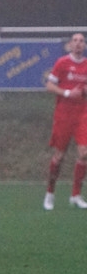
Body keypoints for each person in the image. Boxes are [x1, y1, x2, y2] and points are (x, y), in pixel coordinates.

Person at [43, 32, 87, 210]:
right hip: (64, 115)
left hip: (82, 115)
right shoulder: (62, 63)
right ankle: (50, 193)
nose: (78, 44)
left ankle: (75, 195)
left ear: (84, 45)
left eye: (81, 41)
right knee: (59, 156)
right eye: (75, 41)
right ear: (70, 44)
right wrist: (67, 93)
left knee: (84, 153)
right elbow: (49, 85)